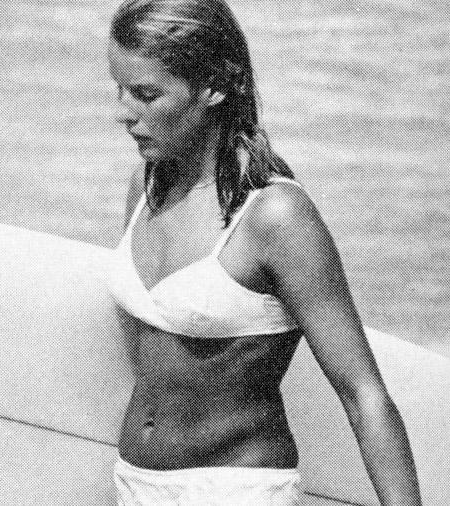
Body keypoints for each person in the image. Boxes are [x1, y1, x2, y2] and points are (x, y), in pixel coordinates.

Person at [103, 0, 421, 504]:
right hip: (135, 483)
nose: (124, 113)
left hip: (235, 489)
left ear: (214, 87)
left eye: (146, 94)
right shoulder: (145, 188)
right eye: (119, 89)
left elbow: (363, 393)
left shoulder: (275, 217)